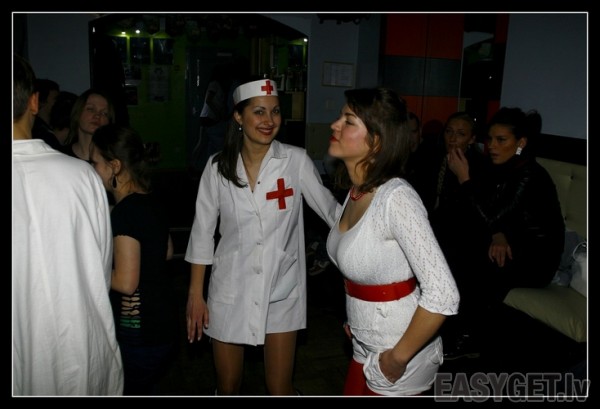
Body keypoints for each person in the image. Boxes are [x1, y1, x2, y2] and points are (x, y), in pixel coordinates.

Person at [185, 77, 341, 395]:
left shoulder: (295, 161)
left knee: (279, 387)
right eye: (259, 112)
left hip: (281, 289)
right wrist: (195, 294)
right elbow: (202, 233)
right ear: (238, 117)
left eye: (275, 111)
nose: (269, 120)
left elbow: (333, 214)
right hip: (229, 289)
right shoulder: (217, 168)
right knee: (228, 386)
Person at [326, 87, 460, 396]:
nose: (335, 125)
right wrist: (356, 318)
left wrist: (398, 358)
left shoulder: (396, 198)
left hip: (398, 351)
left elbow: (444, 294)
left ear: (376, 141)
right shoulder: (356, 191)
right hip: (364, 343)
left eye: (348, 120)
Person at [12, 54, 123, 396]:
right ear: (34, 102)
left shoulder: (92, 172)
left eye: (104, 112)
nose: (98, 117)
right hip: (72, 344)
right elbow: (99, 268)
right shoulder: (77, 171)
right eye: (91, 110)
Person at [449, 107, 565, 319]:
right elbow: (489, 212)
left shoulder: (529, 174)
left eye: (501, 140)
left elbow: (490, 216)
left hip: (537, 260)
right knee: (457, 243)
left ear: (521, 143)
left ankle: (466, 330)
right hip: (511, 244)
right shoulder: (502, 167)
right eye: (490, 139)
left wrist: (465, 179)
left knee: (472, 262)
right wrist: (498, 233)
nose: (492, 145)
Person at [89, 124, 178, 395]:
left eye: (94, 163)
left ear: (114, 166)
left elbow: (126, 283)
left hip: (138, 332)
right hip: (163, 325)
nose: (91, 170)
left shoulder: (125, 213)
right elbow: (167, 251)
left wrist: (86, 269)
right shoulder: (151, 201)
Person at [407, 111, 489, 360]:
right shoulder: (432, 156)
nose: (453, 138)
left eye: (460, 134)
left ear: (472, 139)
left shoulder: (479, 165)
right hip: (434, 229)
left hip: (464, 236)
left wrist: (463, 176)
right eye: (449, 132)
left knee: (456, 269)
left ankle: (457, 336)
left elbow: (479, 211)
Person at [63, 88, 115, 161]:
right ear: (77, 113)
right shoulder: (61, 156)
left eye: (104, 113)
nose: (97, 115)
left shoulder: (115, 159)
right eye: (90, 109)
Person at [31, 78, 61, 150]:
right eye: (55, 99)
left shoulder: (51, 128)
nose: (59, 103)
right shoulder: (39, 133)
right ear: (42, 101)